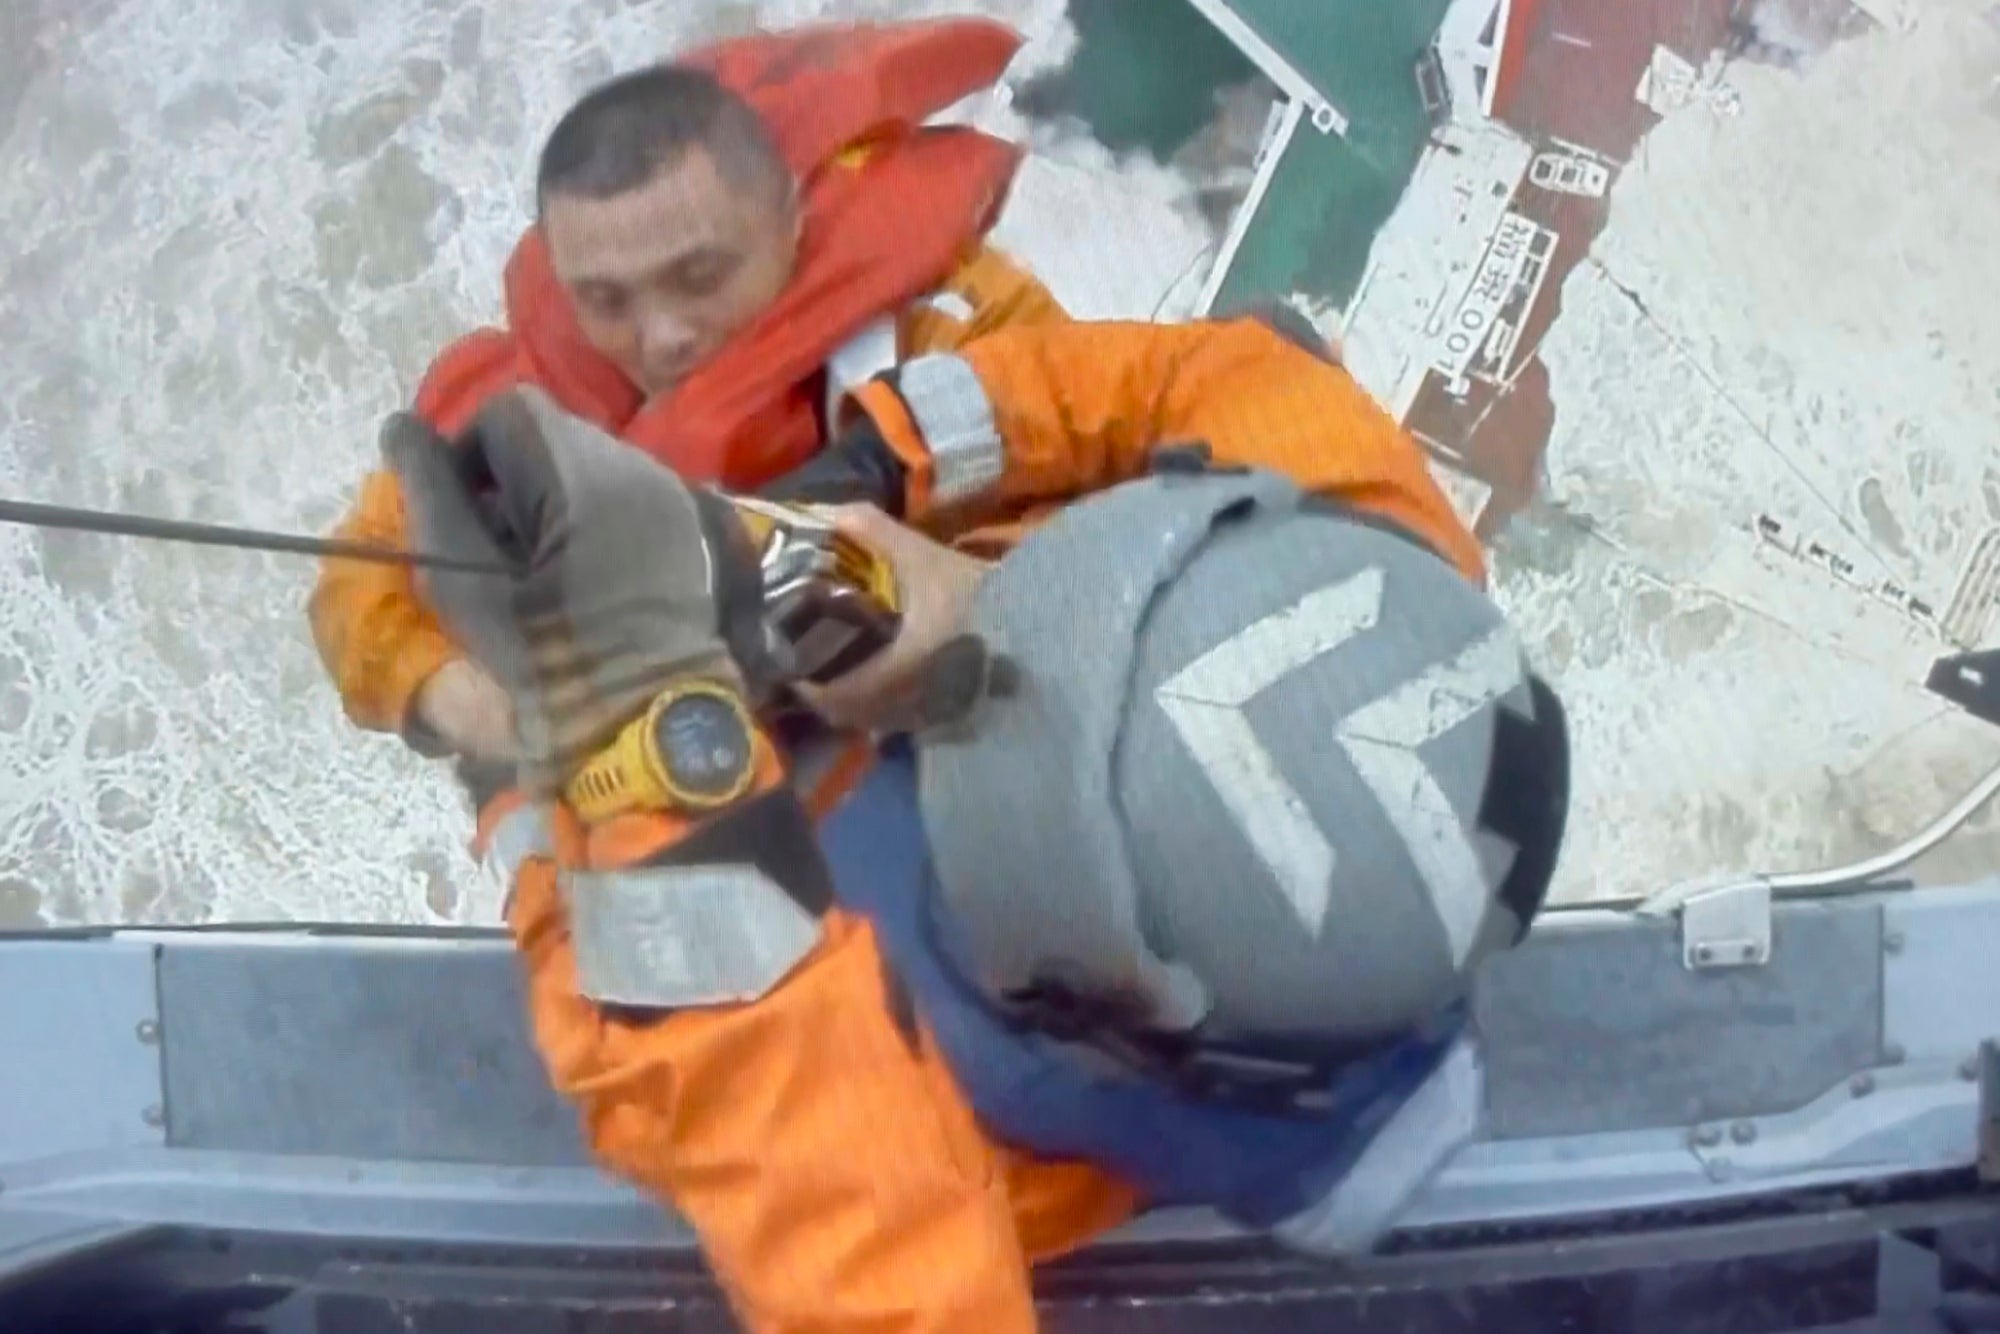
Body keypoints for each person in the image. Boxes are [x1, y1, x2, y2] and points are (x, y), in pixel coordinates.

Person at [381, 311, 1570, 1334]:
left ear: (1064, 1005)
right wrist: (891, 482)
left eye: (981, 733)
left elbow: (708, 1091)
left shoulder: (930, 1135)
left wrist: (559, 763)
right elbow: (1228, 375)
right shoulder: (1377, 582)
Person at [308, 17, 1068, 767]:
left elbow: (1105, 480)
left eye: (700, 277)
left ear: (790, 221)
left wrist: (969, 588)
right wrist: (464, 702)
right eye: (608, 300)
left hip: (954, 722)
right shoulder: (516, 406)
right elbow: (355, 580)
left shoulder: (955, 319)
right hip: (693, 782)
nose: (663, 335)